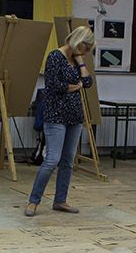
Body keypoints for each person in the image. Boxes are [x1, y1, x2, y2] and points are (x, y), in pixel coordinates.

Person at [24, 25, 95, 217]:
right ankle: (33, 200)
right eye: (86, 48)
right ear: (78, 41)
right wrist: (76, 85)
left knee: (67, 161)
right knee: (52, 160)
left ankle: (60, 200)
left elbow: (88, 83)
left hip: (75, 116)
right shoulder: (55, 57)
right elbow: (54, 86)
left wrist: (80, 62)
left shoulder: (76, 59)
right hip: (56, 115)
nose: (87, 52)